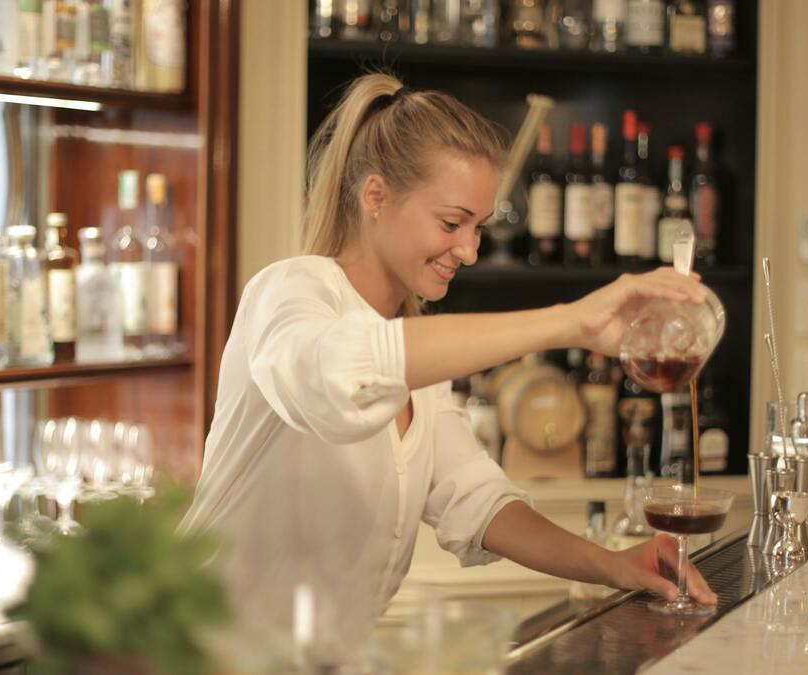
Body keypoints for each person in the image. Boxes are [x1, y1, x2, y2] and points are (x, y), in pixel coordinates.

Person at [180, 73, 715, 660]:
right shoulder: (289, 292)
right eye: (451, 222)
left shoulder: (419, 361)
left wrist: (615, 566)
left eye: (479, 227)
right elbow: (341, 373)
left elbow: (478, 500)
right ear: (376, 196)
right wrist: (573, 321)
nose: (470, 250)